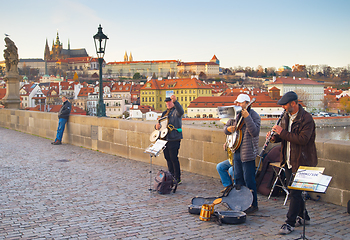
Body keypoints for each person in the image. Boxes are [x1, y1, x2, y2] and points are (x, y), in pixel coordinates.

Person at [267, 91, 318, 235]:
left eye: (285, 104)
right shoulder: (286, 116)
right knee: (293, 191)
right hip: (288, 160)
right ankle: (304, 216)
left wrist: (282, 132)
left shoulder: (306, 119)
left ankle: (289, 223)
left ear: (294, 104)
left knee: (295, 193)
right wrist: (273, 138)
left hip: (302, 161)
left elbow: (303, 140)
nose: (283, 107)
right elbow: (283, 137)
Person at [216, 94, 260, 213]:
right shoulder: (236, 114)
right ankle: (240, 202)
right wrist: (228, 129)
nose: (239, 105)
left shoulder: (254, 115)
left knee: (249, 179)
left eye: (241, 103)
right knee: (238, 178)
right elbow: (226, 127)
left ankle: (253, 204)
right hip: (236, 149)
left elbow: (255, 132)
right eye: (238, 103)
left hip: (248, 152)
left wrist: (247, 118)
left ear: (247, 103)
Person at [155, 95, 184, 184]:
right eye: (167, 102)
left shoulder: (176, 112)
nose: (168, 103)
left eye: (170, 101)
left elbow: (181, 111)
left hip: (174, 138)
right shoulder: (164, 113)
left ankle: (177, 177)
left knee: (173, 158)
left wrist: (175, 101)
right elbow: (160, 124)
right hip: (165, 139)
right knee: (167, 158)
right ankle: (171, 175)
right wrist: (156, 126)